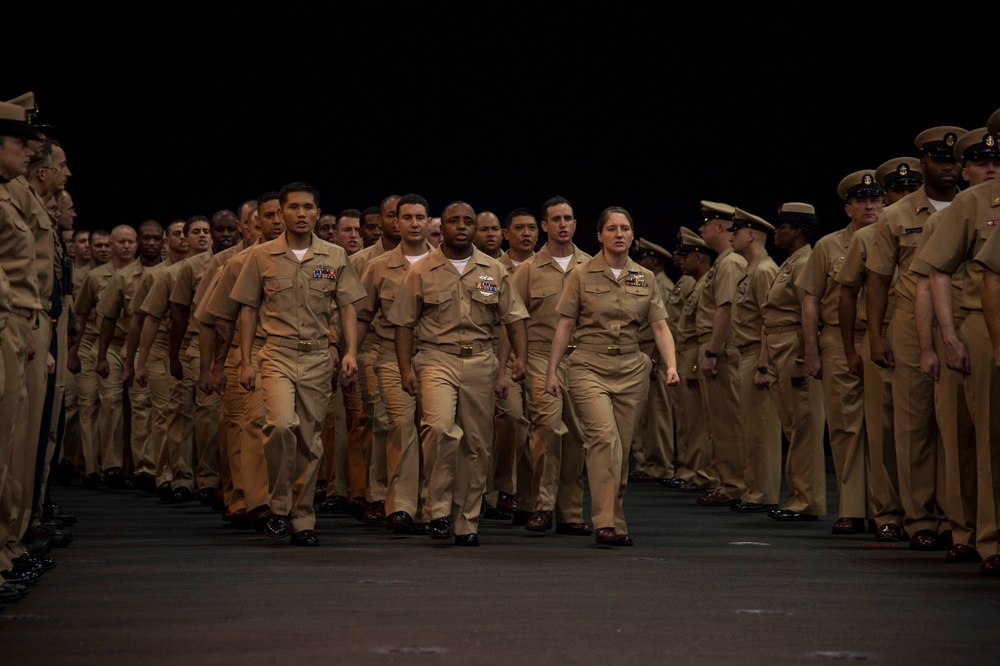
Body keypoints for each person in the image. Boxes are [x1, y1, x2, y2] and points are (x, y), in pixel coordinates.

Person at [231, 182, 365, 547]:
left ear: (318, 213)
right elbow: (247, 308)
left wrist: (350, 351)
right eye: (293, 208)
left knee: (310, 440)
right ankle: (278, 505)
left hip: (318, 357)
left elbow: (348, 305)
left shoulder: (335, 256)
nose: (301, 214)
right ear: (280, 213)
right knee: (279, 425)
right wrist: (245, 361)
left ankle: (302, 517)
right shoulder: (262, 256)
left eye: (308, 207)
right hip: (275, 352)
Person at [389, 200, 528, 547]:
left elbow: (512, 319)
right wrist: (405, 368)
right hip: (437, 358)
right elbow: (404, 324)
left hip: (481, 361)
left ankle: (466, 521)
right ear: (444, 226)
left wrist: (519, 359)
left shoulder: (493, 270)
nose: (462, 227)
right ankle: (437, 510)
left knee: (476, 444)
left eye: (468, 221)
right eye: (455, 221)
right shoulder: (421, 270)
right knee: (438, 428)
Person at [546, 206, 679, 546]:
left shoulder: (644, 278)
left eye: (625, 228)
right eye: (612, 228)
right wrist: (551, 371)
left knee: (620, 448)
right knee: (603, 439)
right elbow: (565, 325)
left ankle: (615, 519)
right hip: (589, 365)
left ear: (632, 235)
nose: (619, 234)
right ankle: (605, 522)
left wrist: (671, 364)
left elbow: (660, 326)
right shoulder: (582, 274)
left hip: (632, 369)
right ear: (599, 235)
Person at [867, 126, 966, 550]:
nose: (948, 168)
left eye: (954, 162)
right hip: (912, 322)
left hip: (969, 317)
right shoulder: (897, 215)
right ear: (924, 162)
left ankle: (954, 516)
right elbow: (876, 281)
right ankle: (920, 516)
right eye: (940, 161)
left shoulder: (972, 206)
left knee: (959, 425)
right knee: (915, 424)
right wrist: (875, 335)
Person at [916, 109, 1000, 575]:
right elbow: (938, 273)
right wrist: (946, 336)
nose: (992, 167)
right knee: (980, 438)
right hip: (980, 324)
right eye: (983, 161)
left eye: (997, 160)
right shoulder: (974, 204)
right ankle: (981, 536)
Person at [798, 170, 883, 534]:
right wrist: (811, 351)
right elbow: (810, 300)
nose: (870, 205)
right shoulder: (829, 246)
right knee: (846, 427)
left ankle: (887, 510)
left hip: (885, 335)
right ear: (848, 208)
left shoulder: (890, 238)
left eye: (876, 199)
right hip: (837, 337)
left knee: (887, 427)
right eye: (862, 200)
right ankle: (851, 507)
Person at [354, 193, 435, 534]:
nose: (414, 224)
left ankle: (431, 505)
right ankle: (400, 506)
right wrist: (348, 358)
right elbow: (360, 316)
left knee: (433, 429)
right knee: (399, 424)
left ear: (429, 222)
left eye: (420, 217)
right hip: (388, 354)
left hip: (434, 356)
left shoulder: (444, 263)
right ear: (395, 223)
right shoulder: (378, 266)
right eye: (407, 218)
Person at [512, 195, 592, 536]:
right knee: (547, 428)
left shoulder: (591, 266)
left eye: (568, 218)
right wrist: (513, 362)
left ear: (575, 224)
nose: (563, 225)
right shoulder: (528, 270)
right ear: (544, 226)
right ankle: (541, 505)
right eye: (556, 219)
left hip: (583, 358)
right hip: (541, 357)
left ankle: (570, 512)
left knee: (577, 437)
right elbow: (512, 321)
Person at [761, 203, 827, 522]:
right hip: (778, 344)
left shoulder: (806, 260)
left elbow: (809, 310)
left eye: (782, 226)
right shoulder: (790, 262)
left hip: (793, 343)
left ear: (797, 231)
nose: (776, 231)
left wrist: (805, 355)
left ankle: (808, 499)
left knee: (805, 425)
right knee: (792, 425)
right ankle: (796, 494)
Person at [93, 220, 164, 491]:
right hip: (127, 347)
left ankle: (152, 467)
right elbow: (109, 318)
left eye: (155, 238)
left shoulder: (171, 273)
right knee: (131, 406)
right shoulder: (123, 278)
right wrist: (101, 356)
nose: (150, 243)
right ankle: (130, 467)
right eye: (145, 238)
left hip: (162, 346)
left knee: (154, 409)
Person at [727, 209, 781, 514]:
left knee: (762, 429)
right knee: (751, 428)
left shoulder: (763, 271)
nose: (731, 237)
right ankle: (754, 489)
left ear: (751, 235)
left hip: (756, 355)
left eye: (737, 232)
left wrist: (763, 363)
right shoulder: (751, 269)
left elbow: (768, 321)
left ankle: (764, 492)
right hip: (745, 354)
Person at [695, 201, 747, 507]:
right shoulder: (723, 262)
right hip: (713, 345)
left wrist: (713, 350)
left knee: (728, 421)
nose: (701, 229)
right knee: (716, 421)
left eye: (706, 224)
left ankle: (734, 482)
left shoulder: (730, 263)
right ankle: (724, 479)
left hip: (722, 349)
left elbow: (726, 310)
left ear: (720, 228)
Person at [668, 228, 715, 493]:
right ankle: (693, 469)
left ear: (698, 256)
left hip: (696, 351)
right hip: (685, 351)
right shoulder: (695, 284)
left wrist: (696, 364)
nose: (680, 259)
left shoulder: (703, 281)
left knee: (699, 421)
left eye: (685, 254)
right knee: (688, 419)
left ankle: (703, 472)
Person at [628, 237, 678, 484]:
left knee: (658, 413)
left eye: (642, 257)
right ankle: (646, 462)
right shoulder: (645, 281)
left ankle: (660, 465)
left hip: (653, 351)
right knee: (644, 414)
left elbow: (664, 325)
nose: (638, 262)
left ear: (653, 260)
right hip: (642, 350)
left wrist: (658, 359)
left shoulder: (663, 285)